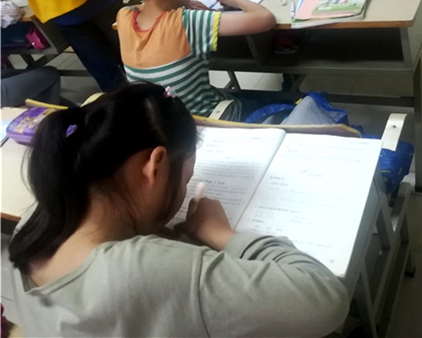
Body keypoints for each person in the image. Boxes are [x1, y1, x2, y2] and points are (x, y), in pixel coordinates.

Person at [7, 82, 349, 336]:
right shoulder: (146, 270)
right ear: (154, 166)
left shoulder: (34, 224)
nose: (183, 191)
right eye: (185, 178)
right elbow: (324, 300)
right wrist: (221, 233)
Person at [116, 0, 276, 121]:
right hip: (211, 121)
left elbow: (148, 10)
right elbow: (265, 19)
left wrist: (179, 6)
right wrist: (236, 0)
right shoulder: (187, 22)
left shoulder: (124, 17)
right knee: (270, 102)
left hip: (167, 125)